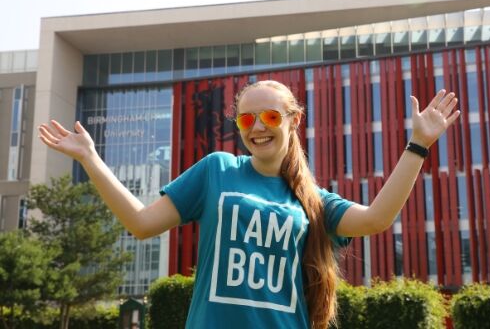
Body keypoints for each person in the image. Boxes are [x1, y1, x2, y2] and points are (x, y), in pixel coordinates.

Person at [38, 80, 459, 329]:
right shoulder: (216, 170)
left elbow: (376, 219)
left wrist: (417, 146)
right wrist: (90, 158)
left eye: (271, 117)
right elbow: (142, 223)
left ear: (294, 120)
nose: (258, 127)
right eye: (246, 119)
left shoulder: (311, 200)